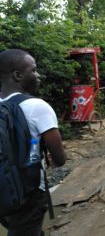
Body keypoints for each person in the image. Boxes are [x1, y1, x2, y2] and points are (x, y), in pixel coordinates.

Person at [0, 49, 66, 236]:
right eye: (34, 70)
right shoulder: (37, 107)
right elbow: (59, 159)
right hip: (29, 193)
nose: (38, 75)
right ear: (18, 75)